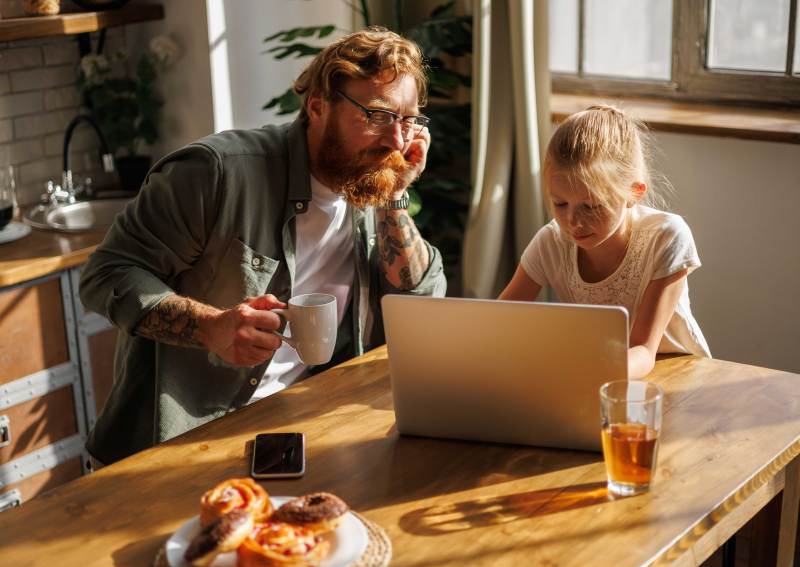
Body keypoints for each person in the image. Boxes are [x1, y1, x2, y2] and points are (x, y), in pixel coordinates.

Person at [79, 27, 446, 465]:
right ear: (317, 107)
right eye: (378, 115)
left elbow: (420, 303)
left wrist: (394, 195)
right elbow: (105, 275)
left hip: (305, 428)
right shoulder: (216, 173)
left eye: (409, 120)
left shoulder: (370, 183)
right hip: (182, 442)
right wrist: (210, 327)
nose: (397, 141)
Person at [499, 104, 710, 379]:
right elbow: (499, 323)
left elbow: (643, 351)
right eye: (560, 203)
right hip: (601, 373)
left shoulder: (666, 237)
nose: (573, 221)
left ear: (634, 192)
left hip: (676, 373)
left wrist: (579, 372)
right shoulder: (552, 242)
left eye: (591, 206)